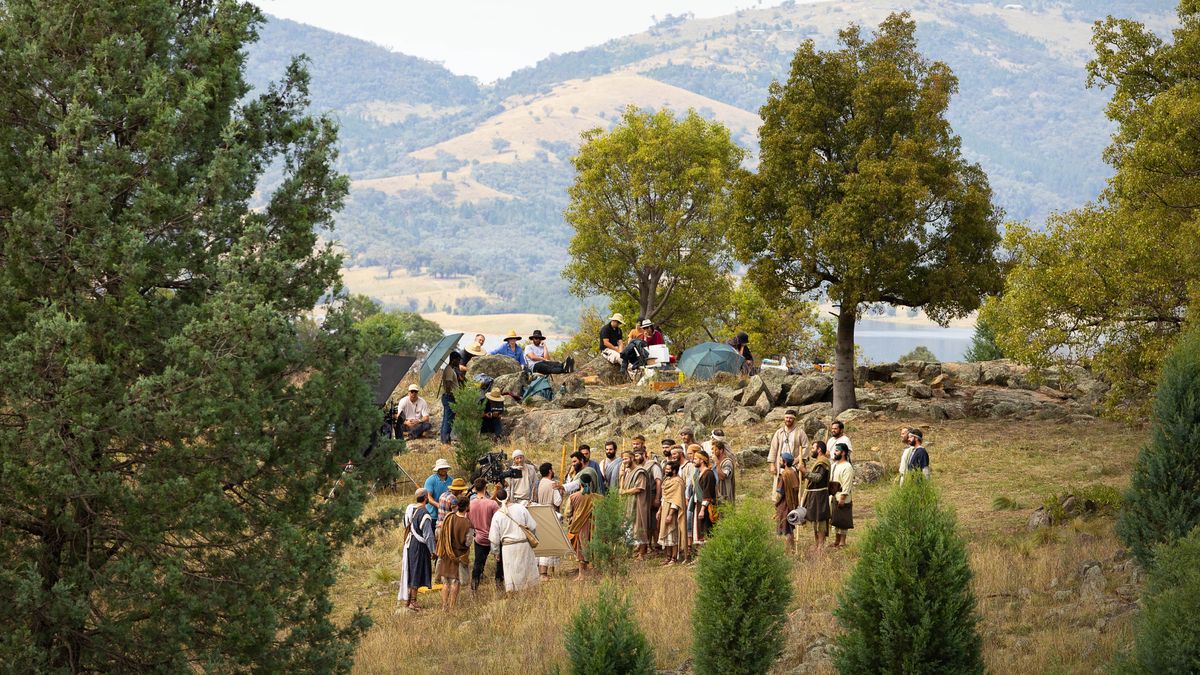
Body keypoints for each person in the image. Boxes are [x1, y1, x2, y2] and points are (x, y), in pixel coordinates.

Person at [489, 489, 540, 592]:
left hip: (508, 548)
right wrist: (531, 538)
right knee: (527, 570)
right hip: (524, 545)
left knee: (512, 572)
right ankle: (528, 593)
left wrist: (496, 552)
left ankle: (514, 595)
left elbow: (494, 538)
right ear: (508, 496)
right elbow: (532, 527)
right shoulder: (521, 508)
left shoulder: (497, 515)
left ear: (497, 500)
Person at [398, 488, 435, 612]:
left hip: (411, 543)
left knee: (411, 569)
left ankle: (409, 599)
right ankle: (412, 601)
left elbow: (405, 524)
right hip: (419, 546)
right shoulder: (424, 513)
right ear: (425, 498)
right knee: (416, 570)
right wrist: (433, 551)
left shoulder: (411, 509)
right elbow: (428, 535)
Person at [435, 496, 471, 611]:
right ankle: (452, 607)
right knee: (455, 581)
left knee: (446, 581)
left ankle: (444, 606)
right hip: (458, 556)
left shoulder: (449, 518)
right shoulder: (468, 524)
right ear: (466, 507)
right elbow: (468, 542)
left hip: (447, 553)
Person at [467, 479, 503, 591]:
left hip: (479, 538)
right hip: (493, 537)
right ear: (485, 487)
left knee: (478, 564)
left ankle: (474, 587)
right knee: (499, 562)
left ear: (474, 489)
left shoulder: (470, 504)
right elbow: (499, 520)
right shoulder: (492, 504)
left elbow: (467, 522)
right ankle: (499, 585)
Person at [620, 446, 653, 560]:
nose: (624, 461)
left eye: (626, 458)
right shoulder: (629, 472)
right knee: (631, 527)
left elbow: (639, 488)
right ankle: (636, 550)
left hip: (639, 503)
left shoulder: (640, 472)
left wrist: (624, 492)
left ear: (632, 458)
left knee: (640, 526)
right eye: (623, 459)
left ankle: (642, 553)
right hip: (630, 503)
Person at [768, 410, 810, 495]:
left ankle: (792, 504)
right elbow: (773, 448)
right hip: (780, 464)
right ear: (784, 418)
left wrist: (797, 460)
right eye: (787, 417)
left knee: (792, 489)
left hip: (793, 465)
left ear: (794, 419)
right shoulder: (779, 432)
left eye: (790, 418)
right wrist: (772, 465)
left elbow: (806, 447)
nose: (788, 419)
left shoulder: (800, 432)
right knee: (779, 489)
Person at [565, 469, 597, 578]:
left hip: (578, 526)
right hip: (593, 526)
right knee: (589, 546)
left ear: (580, 483)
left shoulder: (573, 497)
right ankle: (589, 571)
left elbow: (567, 513)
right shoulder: (597, 497)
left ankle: (581, 574)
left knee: (579, 548)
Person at [802, 441, 832, 551]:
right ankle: (817, 545)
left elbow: (818, 477)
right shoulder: (820, 461)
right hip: (815, 495)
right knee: (815, 520)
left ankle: (820, 547)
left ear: (819, 450)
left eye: (813, 448)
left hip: (820, 496)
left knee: (820, 521)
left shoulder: (822, 462)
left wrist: (804, 471)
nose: (812, 450)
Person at [535, 462, 563, 580]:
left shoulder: (539, 483)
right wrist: (561, 492)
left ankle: (540, 572)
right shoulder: (552, 484)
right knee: (548, 545)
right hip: (550, 513)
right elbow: (557, 502)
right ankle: (543, 574)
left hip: (540, 512)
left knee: (541, 543)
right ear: (550, 471)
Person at [658, 461, 688, 565]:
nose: (666, 471)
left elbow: (676, 500)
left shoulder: (677, 482)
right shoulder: (666, 480)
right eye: (665, 469)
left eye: (668, 469)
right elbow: (663, 497)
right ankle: (667, 557)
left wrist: (670, 514)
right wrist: (659, 510)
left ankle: (674, 558)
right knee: (665, 534)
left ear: (674, 470)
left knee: (672, 533)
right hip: (664, 509)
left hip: (672, 511)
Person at [775, 452, 802, 555]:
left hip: (784, 505)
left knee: (785, 529)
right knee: (789, 529)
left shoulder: (785, 474)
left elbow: (780, 493)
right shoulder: (794, 473)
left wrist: (776, 503)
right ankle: (792, 550)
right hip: (792, 505)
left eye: (781, 460)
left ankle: (787, 552)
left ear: (785, 462)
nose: (780, 461)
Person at [830, 443, 855, 548]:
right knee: (835, 518)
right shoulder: (834, 465)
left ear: (843, 453)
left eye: (837, 450)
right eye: (835, 450)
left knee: (843, 519)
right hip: (834, 495)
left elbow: (847, 483)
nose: (835, 452)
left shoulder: (847, 467)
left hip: (842, 496)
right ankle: (836, 540)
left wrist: (843, 497)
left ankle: (842, 542)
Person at [693, 449, 717, 546]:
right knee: (700, 530)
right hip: (699, 504)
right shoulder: (698, 474)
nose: (694, 460)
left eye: (695, 458)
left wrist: (702, 509)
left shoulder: (708, 474)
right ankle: (699, 558)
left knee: (706, 531)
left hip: (707, 507)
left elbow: (707, 494)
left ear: (702, 460)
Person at [440, 352, 463, 444]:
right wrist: (451, 394)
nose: (459, 362)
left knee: (447, 419)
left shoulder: (450, 369)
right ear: (453, 359)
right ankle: (445, 440)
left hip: (449, 397)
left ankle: (444, 439)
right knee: (448, 420)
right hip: (450, 398)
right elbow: (448, 383)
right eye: (458, 360)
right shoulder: (449, 370)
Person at [713, 440, 735, 504]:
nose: (713, 452)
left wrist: (717, 463)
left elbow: (722, 477)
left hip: (726, 497)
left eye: (715, 450)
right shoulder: (715, 462)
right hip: (717, 497)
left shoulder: (728, 462)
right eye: (712, 450)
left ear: (721, 450)